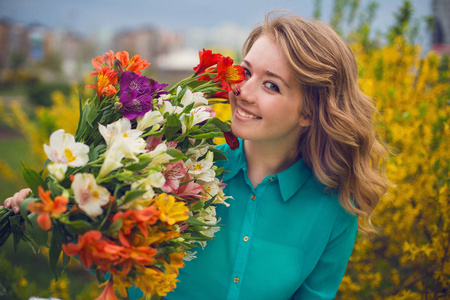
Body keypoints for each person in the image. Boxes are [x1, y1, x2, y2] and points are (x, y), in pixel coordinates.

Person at [4, 11, 389, 300]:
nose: (244, 91)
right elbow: (121, 272)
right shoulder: (174, 166)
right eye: (246, 72)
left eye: (271, 85)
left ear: (309, 112)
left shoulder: (335, 209)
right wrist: (62, 213)